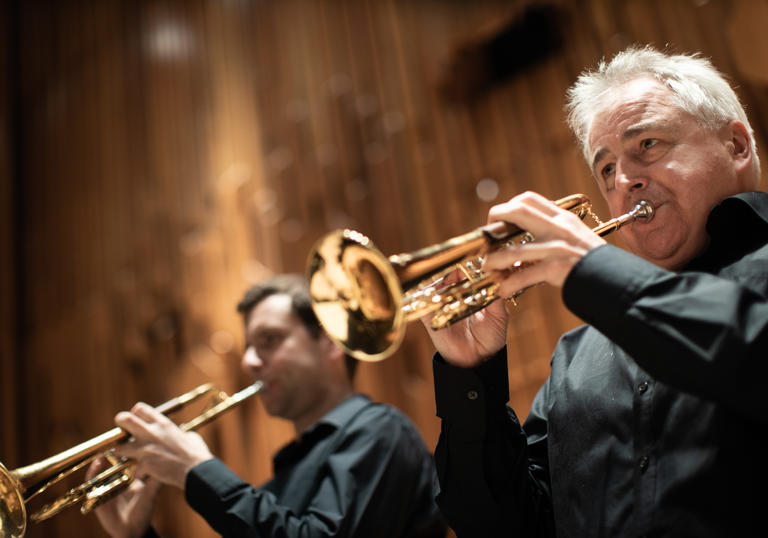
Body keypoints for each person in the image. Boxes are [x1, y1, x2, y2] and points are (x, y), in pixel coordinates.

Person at [427, 45, 768, 537]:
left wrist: (595, 273)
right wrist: (471, 377)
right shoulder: (576, 355)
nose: (624, 182)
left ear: (736, 146)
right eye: (606, 169)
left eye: (647, 145)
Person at [89, 274, 446, 538]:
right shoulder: (279, 484)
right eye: (248, 347)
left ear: (330, 341)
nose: (248, 362)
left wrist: (197, 471)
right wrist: (136, 537)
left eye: (270, 340)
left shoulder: (381, 431)